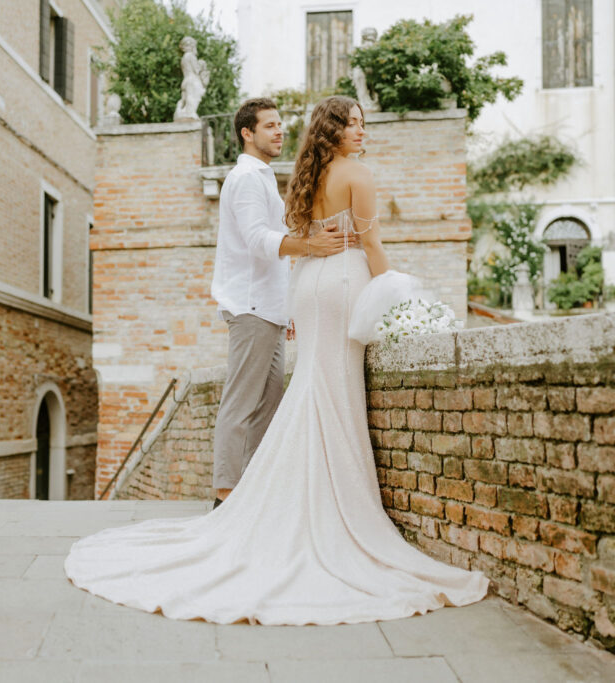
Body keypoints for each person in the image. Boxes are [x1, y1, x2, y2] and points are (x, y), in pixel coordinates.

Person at [64, 95, 489, 626]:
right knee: (299, 393)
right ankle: (233, 499)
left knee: (294, 392)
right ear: (250, 132)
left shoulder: (299, 178)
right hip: (309, 286)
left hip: (301, 292)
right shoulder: (316, 175)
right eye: (354, 124)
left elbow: (297, 234)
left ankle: (258, 499)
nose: (362, 131)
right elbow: (352, 242)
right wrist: (401, 301)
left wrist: (300, 276)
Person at [209, 98, 348, 508]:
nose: (279, 131)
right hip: (250, 307)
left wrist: (286, 308)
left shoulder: (263, 177)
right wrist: (311, 246)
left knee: (266, 406)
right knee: (240, 404)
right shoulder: (247, 179)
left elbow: (271, 247)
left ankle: (250, 493)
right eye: (269, 125)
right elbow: (257, 240)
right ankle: (224, 498)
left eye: (280, 124)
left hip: (268, 309)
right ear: (246, 133)